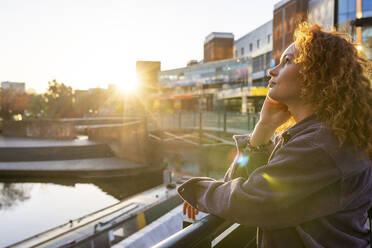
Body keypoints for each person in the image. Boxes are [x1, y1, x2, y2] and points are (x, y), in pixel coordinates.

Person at [178, 23, 372, 247]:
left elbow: (249, 201)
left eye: (287, 61)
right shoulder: (315, 136)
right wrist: (264, 127)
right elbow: (246, 184)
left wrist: (195, 190)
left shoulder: (322, 145)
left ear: (316, 74)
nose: (272, 71)